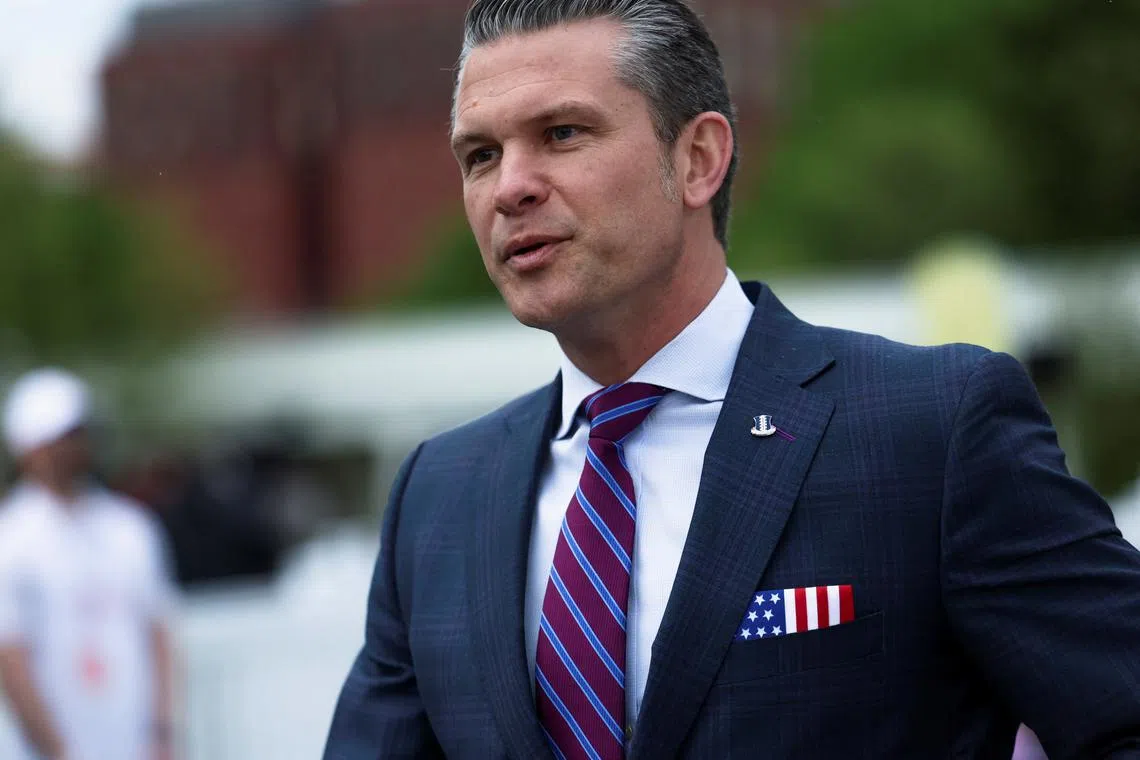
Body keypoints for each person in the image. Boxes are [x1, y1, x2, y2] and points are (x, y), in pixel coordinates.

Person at [323, 1, 1140, 757]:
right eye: (480, 154)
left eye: (563, 133)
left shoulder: (933, 429)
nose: (510, 187)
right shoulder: (439, 496)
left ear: (698, 158)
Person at [0, 369, 176, 760]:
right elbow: (10, 658)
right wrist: (57, 751)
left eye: (78, 435)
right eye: (61, 437)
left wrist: (162, 735)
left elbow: (158, 631)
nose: (73, 448)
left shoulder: (129, 527)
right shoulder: (11, 539)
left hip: (134, 744)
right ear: (29, 447)